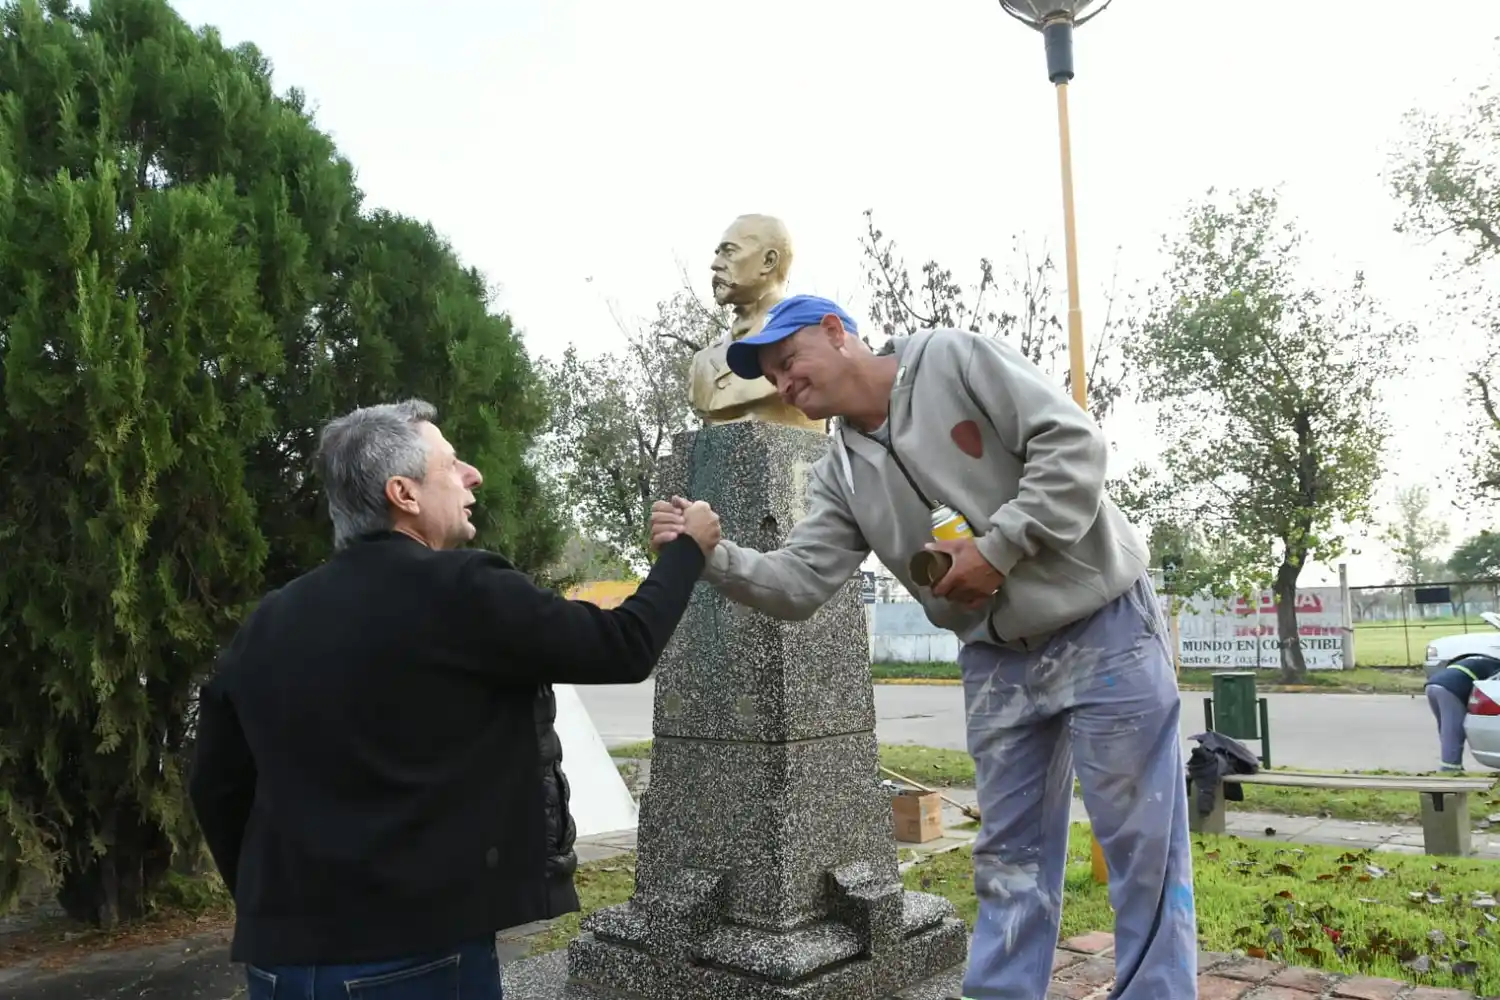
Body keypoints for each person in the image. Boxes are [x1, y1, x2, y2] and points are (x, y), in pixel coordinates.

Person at [649, 295, 1196, 1000]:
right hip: (999, 658)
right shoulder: (839, 472)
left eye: (789, 361)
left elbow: (1075, 447)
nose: (784, 384)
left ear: (836, 332)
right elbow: (798, 582)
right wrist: (711, 554)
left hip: (1102, 627)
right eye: (773, 378)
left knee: (1142, 849)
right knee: (1008, 860)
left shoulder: (951, 360)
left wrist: (998, 550)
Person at [188, 399, 719, 1000]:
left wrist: (273, 906)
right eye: (450, 464)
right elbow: (623, 647)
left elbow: (216, 786)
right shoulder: (461, 589)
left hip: (279, 963)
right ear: (403, 494)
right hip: (416, 957)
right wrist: (687, 551)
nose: (474, 475)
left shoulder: (268, 620)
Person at [1426, 654, 1500, 771]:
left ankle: (1449, 763)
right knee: (1454, 730)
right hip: (1450, 689)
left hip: (1432, 685)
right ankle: (1450, 768)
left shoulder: (1481, 660)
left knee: (1446, 729)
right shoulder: (1496, 668)